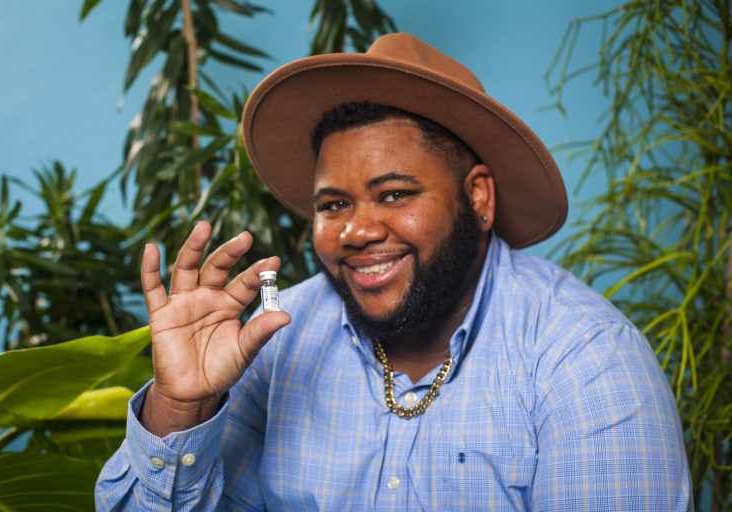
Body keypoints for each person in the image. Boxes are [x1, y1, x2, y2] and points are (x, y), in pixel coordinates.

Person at [95, 33, 692, 510]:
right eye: (334, 205)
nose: (356, 231)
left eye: (395, 194)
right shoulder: (279, 339)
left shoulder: (585, 359)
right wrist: (181, 406)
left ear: (478, 198)